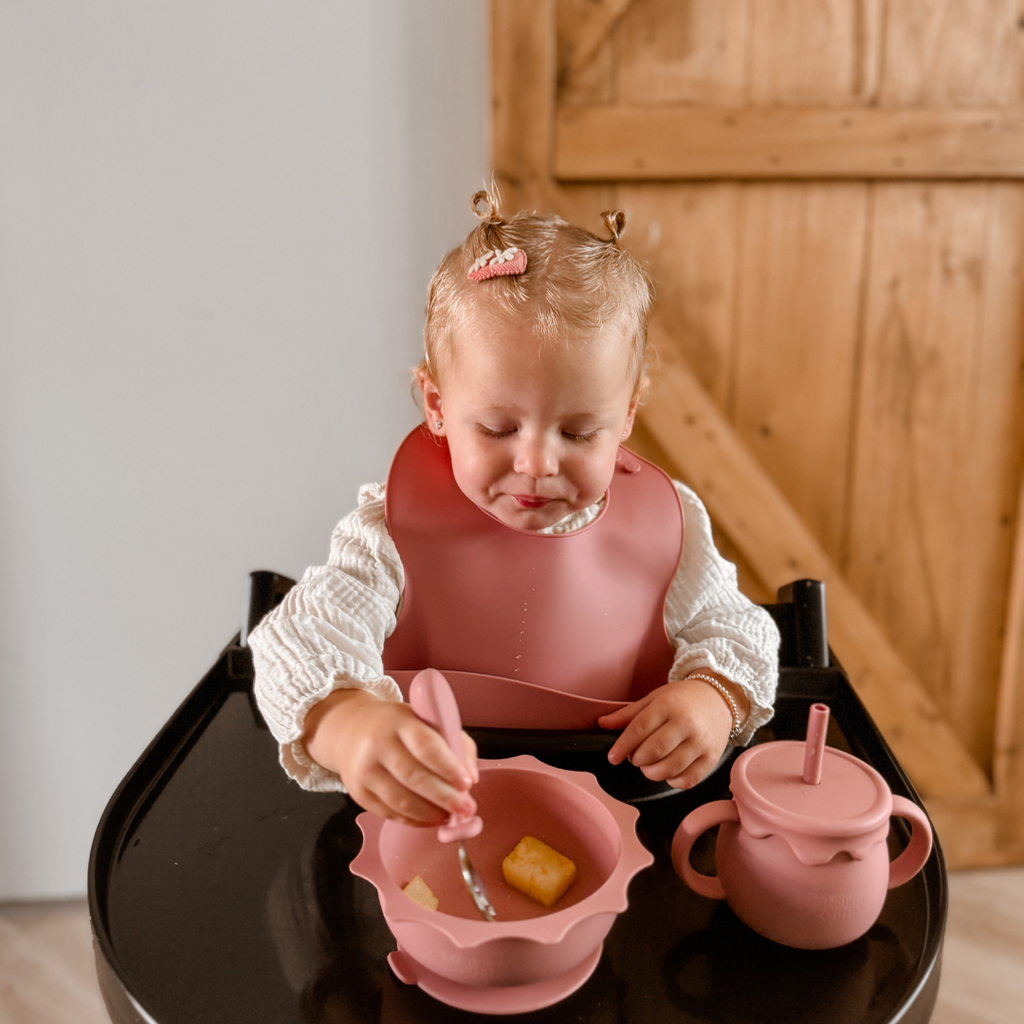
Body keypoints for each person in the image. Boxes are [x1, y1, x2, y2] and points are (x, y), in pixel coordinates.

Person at [250, 189, 780, 828]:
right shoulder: (392, 533)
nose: (537, 464)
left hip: (619, 803)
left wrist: (714, 697)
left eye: (579, 432)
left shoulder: (670, 528)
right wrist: (348, 725)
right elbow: (295, 640)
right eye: (498, 429)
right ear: (437, 406)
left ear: (628, 414)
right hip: (433, 814)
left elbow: (740, 631)